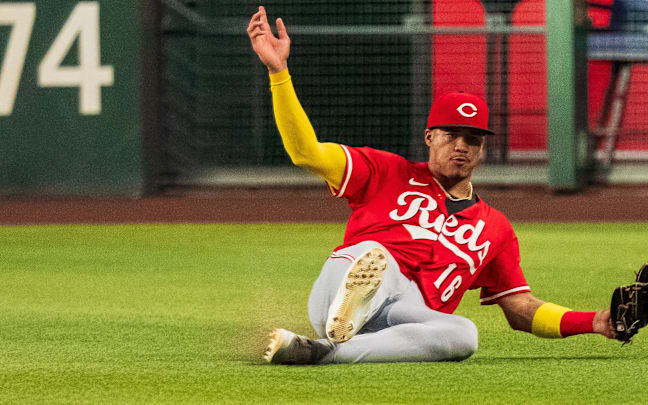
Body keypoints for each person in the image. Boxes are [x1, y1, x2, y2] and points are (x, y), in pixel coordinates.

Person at [247, 6, 616, 364]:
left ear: (482, 147)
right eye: (451, 135)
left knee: (464, 334)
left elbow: (521, 308)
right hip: (342, 281)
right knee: (376, 255)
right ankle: (350, 309)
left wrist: (596, 321)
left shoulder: (496, 229)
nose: (461, 146)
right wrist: (279, 73)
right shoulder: (384, 171)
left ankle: (319, 352)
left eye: (472, 139)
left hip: (404, 318)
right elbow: (306, 153)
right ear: (429, 136)